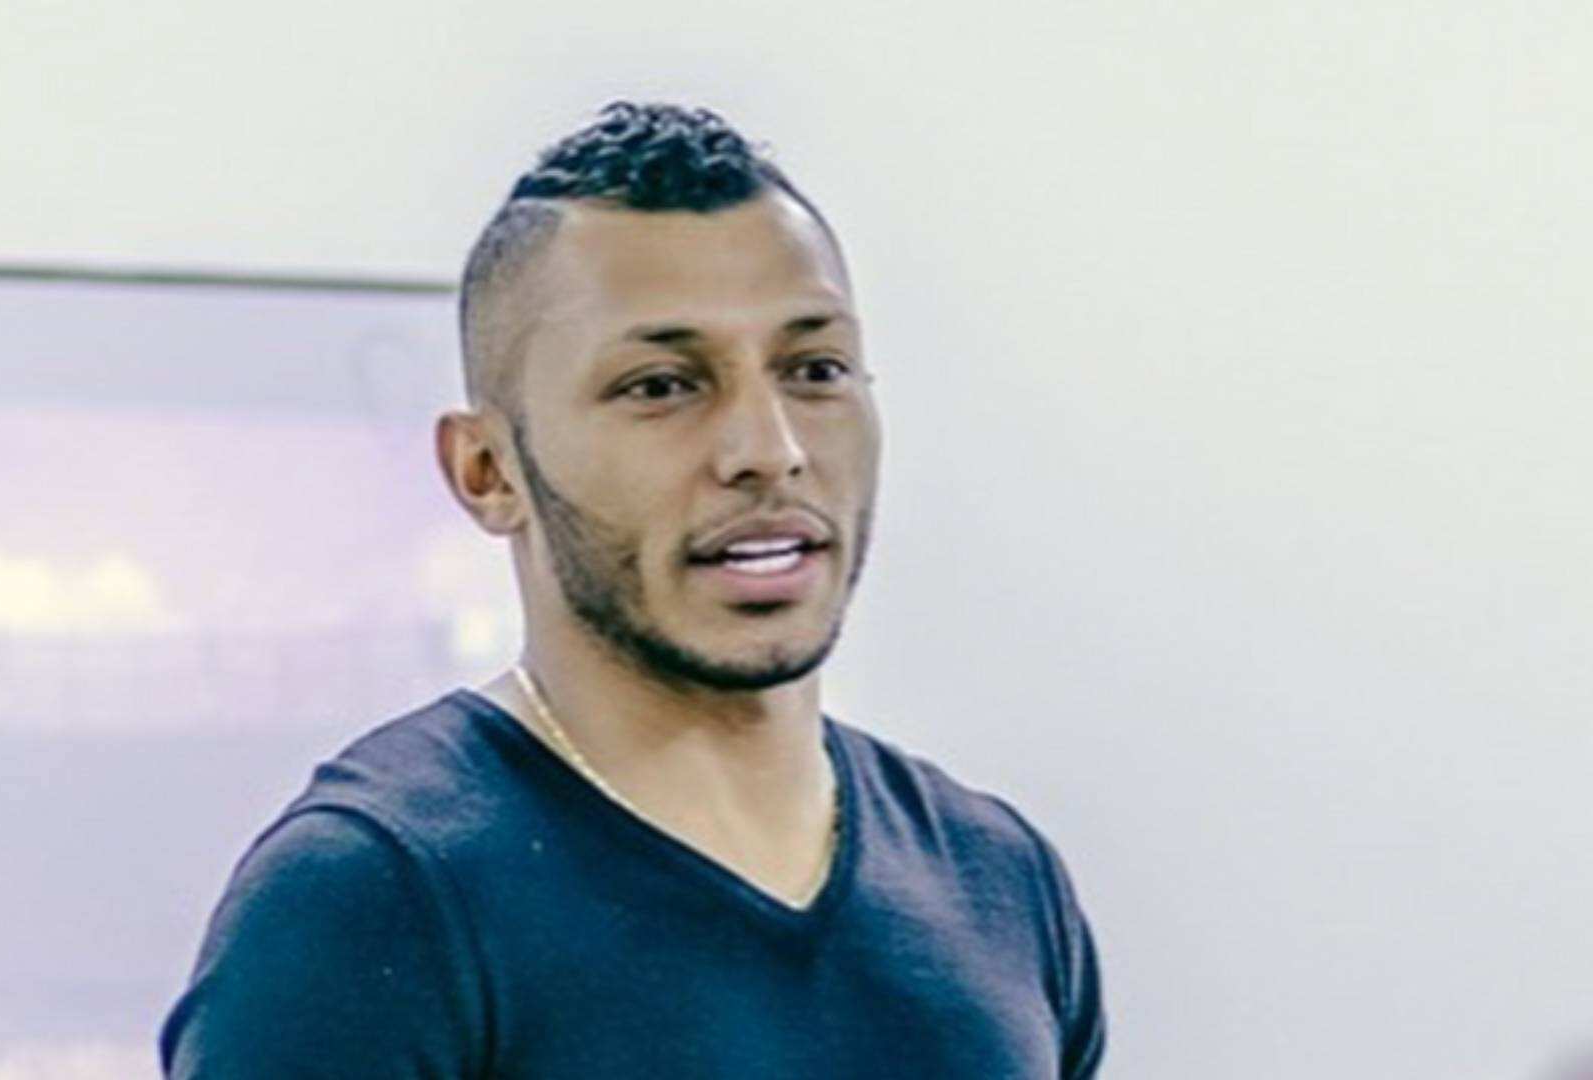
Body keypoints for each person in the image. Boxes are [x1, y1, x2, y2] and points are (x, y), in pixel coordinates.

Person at [159, 99, 1106, 1078]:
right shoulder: (372, 900)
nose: (769, 449)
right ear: (487, 470)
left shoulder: (999, 881)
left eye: (815, 369)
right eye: (662, 385)